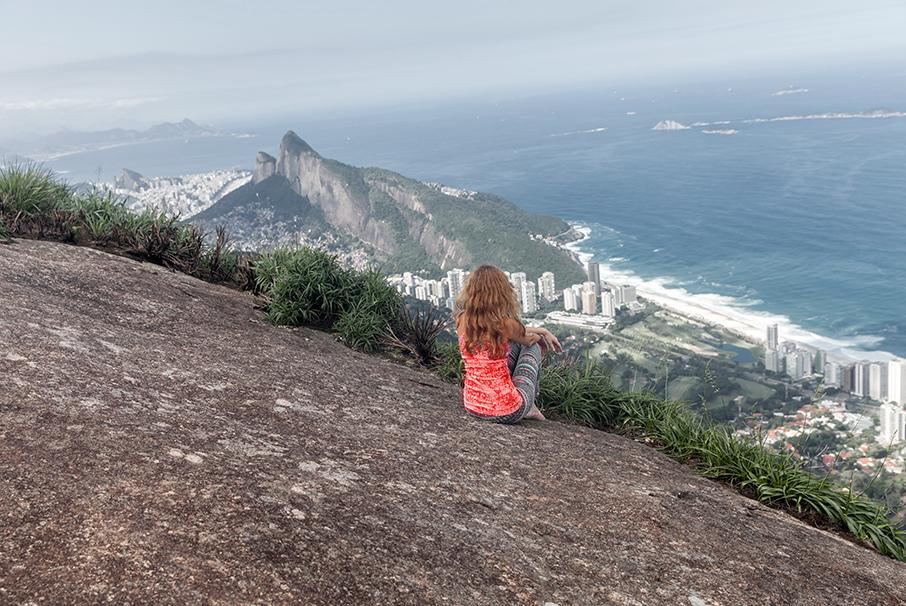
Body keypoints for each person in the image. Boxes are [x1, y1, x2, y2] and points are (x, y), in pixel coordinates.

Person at [455, 265, 562, 424]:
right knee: (532, 346)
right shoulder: (505, 324)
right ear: (501, 291)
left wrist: (541, 330)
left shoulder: (462, 320)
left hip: (473, 406)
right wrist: (542, 337)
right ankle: (530, 405)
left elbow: (499, 329)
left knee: (511, 345)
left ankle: (528, 402)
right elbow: (528, 338)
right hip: (508, 411)